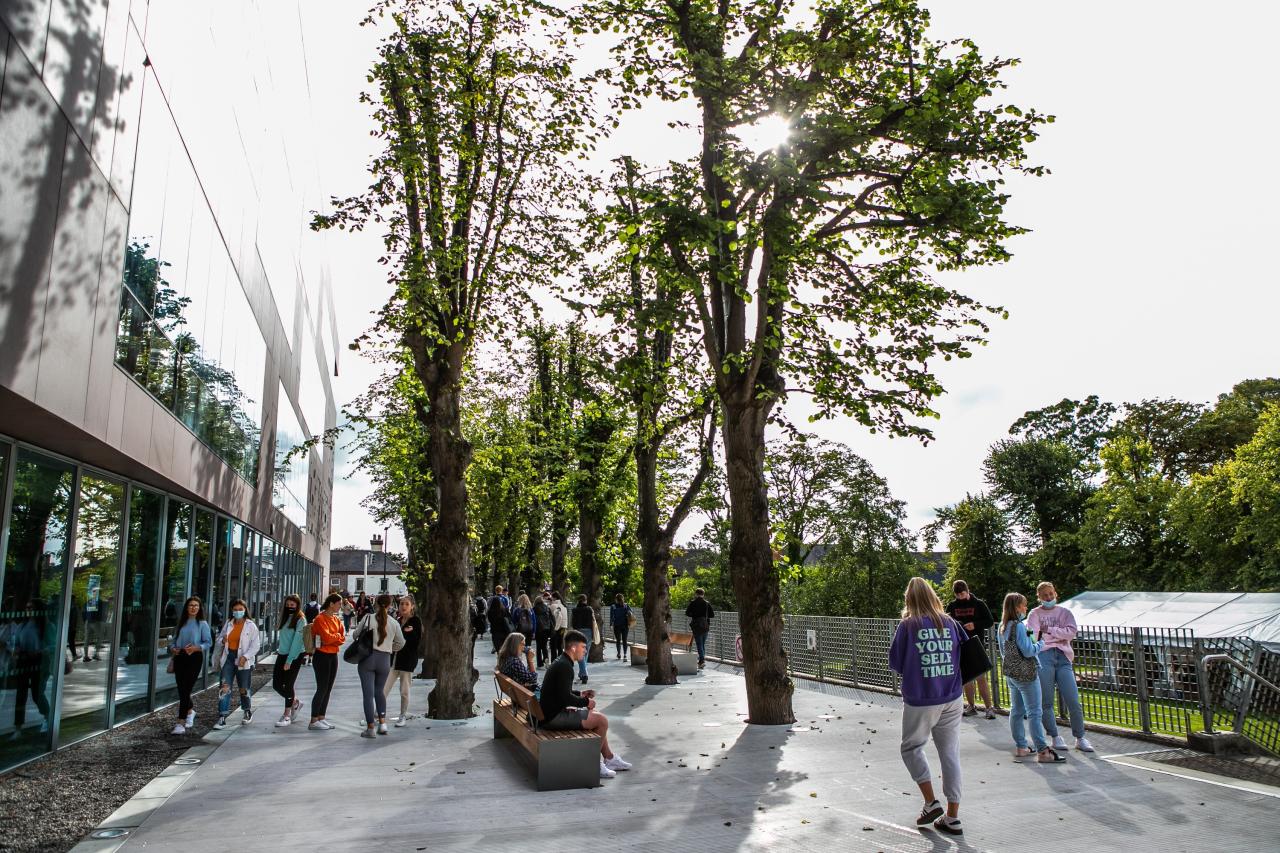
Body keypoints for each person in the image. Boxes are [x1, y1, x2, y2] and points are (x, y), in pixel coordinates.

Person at [887, 577, 965, 836]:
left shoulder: (908, 626)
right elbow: (964, 653)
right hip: (952, 696)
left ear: (909, 599)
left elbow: (897, 663)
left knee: (911, 747)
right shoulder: (951, 623)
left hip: (922, 698)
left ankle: (931, 801)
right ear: (933, 596)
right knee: (950, 753)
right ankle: (953, 817)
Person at [542, 630, 631, 779]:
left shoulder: (561, 662)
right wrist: (586, 702)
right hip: (553, 717)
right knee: (601, 721)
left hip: (549, 712)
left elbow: (562, 692)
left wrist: (580, 694)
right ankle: (594, 762)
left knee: (598, 718)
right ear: (573, 648)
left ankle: (609, 758)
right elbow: (565, 698)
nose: (585, 650)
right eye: (583, 647)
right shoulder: (565, 667)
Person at [1026, 581, 1094, 753]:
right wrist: (1053, 636)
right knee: (1046, 701)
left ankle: (1080, 737)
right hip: (1043, 655)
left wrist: (1049, 629)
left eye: (1050, 594)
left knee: (1073, 699)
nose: (1048, 597)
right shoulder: (1034, 613)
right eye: (1044, 595)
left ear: (1055, 593)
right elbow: (1032, 635)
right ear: (1039, 597)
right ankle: (1055, 736)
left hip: (1063, 656)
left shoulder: (1065, 612)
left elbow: (1071, 632)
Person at [998, 593, 1064, 764]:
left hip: (1011, 673)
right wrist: (1041, 644)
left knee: (1017, 710)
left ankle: (1021, 746)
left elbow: (1003, 651)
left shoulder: (1002, 626)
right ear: (1016, 607)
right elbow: (1028, 651)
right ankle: (1043, 750)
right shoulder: (1019, 626)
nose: (1025, 608)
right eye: (1023, 605)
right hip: (1026, 673)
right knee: (1035, 712)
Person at [354, 593, 405, 739]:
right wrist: (390, 647)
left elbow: (355, 635)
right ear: (390, 605)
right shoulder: (394, 622)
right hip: (385, 659)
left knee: (368, 694)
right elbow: (401, 643)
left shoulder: (368, 618)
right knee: (380, 692)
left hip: (368, 658)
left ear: (375, 603)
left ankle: (370, 727)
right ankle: (383, 723)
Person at [945, 580, 995, 719]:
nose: (960, 597)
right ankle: (971, 705)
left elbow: (989, 621)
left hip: (976, 644)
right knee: (967, 678)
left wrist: (975, 624)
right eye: (957, 595)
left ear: (967, 591)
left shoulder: (979, 604)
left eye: (962, 594)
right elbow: (947, 622)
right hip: (960, 645)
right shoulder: (952, 605)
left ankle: (989, 707)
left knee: (981, 677)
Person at [212, 599, 260, 729]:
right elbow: (219, 639)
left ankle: (247, 710)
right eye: (235, 609)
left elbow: (256, 646)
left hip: (243, 659)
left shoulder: (251, 625)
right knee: (224, 686)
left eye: (240, 609)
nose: (238, 612)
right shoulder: (228, 623)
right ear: (232, 611)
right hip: (229, 657)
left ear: (245, 610)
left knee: (244, 687)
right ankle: (222, 716)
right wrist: (222, 641)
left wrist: (246, 657)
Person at [169, 597, 211, 735]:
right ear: (187, 607)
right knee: (182, 689)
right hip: (180, 657)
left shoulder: (202, 624)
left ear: (199, 608)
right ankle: (190, 711)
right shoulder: (181, 623)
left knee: (186, 689)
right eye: (191, 605)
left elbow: (208, 642)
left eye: (196, 606)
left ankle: (180, 722)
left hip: (194, 658)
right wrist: (173, 648)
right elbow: (173, 641)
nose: (193, 608)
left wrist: (196, 648)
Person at [308, 593, 346, 730]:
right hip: (322, 656)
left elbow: (342, 638)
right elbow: (327, 638)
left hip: (333, 655)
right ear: (331, 603)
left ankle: (321, 717)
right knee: (322, 687)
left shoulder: (336, 619)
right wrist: (335, 637)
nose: (340, 606)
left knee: (328, 688)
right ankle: (313, 720)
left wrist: (333, 637)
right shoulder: (320, 618)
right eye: (339, 604)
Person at [384, 596, 422, 726]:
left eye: (406, 604)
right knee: (383, 689)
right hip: (393, 660)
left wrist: (404, 637)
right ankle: (378, 714)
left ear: (412, 606)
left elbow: (415, 641)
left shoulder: (415, 621)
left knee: (404, 690)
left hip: (407, 660)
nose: (403, 606)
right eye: (401, 604)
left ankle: (402, 715)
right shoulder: (397, 620)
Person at [272, 595, 307, 728]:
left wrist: (289, 660)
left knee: (288, 684)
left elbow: (297, 641)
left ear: (297, 606)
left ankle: (287, 715)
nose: (289, 607)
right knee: (276, 685)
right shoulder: (284, 618)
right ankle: (295, 702)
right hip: (282, 653)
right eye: (287, 605)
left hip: (295, 655)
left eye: (292, 605)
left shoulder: (300, 619)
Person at [684, 588, 714, 668]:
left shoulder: (693, 603)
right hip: (705, 625)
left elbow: (687, 613)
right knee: (702, 644)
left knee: (699, 644)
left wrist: (694, 615)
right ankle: (702, 660)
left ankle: (702, 661)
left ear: (696, 594)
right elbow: (712, 615)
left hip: (696, 626)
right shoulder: (707, 603)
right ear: (703, 594)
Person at [569, 595, 595, 683]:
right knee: (585, 652)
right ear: (585, 600)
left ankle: (583, 674)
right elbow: (593, 621)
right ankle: (583, 673)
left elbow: (571, 623)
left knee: (580, 652)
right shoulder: (589, 609)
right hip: (588, 632)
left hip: (578, 632)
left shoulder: (574, 610)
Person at [488, 585, 512, 653]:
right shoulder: (505, 598)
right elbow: (508, 608)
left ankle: (495, 648)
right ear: (501, 590)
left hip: (494, 626)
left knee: (496, 641)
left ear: (495, 590)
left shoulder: (492, 598)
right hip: (503, 625)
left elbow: (488, 608)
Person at [533, 592, 554, 668]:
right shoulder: (547, 608)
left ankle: (539, 663)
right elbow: (551, 618)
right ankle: (546, 660)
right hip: (546, 629)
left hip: (538, 629)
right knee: (544, 646)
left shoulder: (534, 609)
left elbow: (533, 620)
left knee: (538, 647)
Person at [609, 594, 632, 661]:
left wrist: (611, 625)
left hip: (617, 625)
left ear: (616, 599)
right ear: (623, 598)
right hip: (625, 625)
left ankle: (619, 653)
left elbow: (612, 617)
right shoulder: (626, 605)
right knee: (625, 640)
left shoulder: (613, 606)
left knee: (618, 640)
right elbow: (631, 613)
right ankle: (625, 655)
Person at [549, 591, 568, 660]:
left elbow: (550, 616)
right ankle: (560, 660)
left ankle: (554, 661)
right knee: (560, 644)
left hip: (556, 627)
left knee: (553, 644)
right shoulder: (564, 606)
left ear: (554, 597)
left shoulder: (553, 606)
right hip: (563, 627)